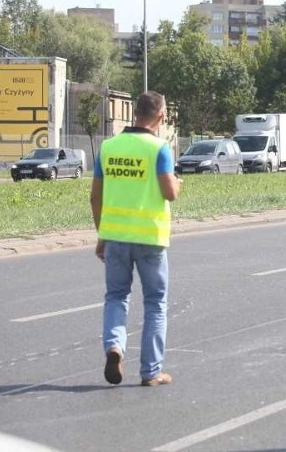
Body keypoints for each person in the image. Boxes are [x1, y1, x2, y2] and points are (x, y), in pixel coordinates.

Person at [90, 91, 182, 387]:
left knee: (116, 297)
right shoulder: (159, 148)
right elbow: (169, 192)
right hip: (150, 239)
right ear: (161, 116)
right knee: (155, 302)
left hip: (115, 236)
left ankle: (114, 347)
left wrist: (102, 234)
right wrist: (178, 184)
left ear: (134, 112)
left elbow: (95, 197)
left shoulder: (108, 147)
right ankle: (151, 371)